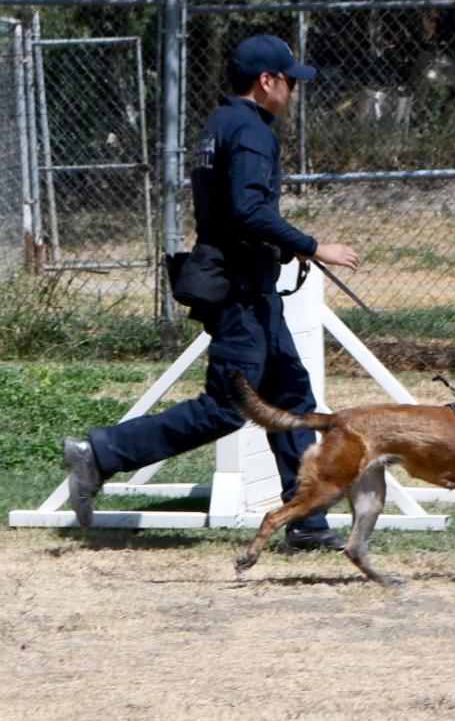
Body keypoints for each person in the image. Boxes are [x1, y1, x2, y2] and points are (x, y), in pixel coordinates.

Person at [62, 34, 360, 552]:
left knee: (290, 397)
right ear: (266, 82)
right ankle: (102, 452)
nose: (293, 90)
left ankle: (307, 519)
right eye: (289, 80)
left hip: (249, 285)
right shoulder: (250, 131)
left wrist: (280, 250)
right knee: (228, 406)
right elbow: (248, 211)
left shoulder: (221, 124)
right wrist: (313, 246)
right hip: (242, 291)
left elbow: (232, 213)